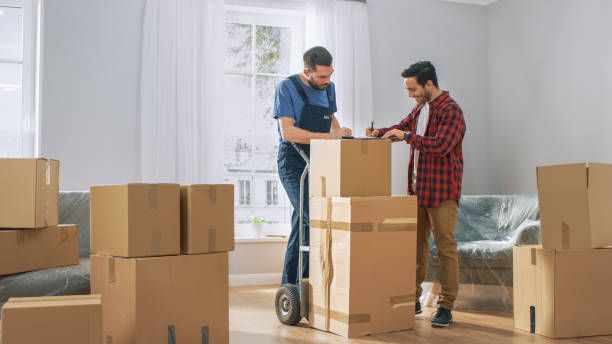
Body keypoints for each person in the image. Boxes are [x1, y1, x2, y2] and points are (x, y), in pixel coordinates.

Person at [367, 61, 466, 328]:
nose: (410, 95)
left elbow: (441, 146)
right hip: (418, 191)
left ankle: (446, 306)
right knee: (415, 248)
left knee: (446, 249)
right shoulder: (420, 109)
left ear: (429, 84)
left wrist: (407, 135)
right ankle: (412, 299)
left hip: (442, 193)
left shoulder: (451, 111)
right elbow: (401, 128)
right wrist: (378, 133)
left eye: (413, 89)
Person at [273, 46, 352, 286]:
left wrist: (340, 132)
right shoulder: (287, 88)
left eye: (330, 75)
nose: (327, 81)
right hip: (293, 160)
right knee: (313, 216)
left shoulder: (330, 88)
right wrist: (331, 138)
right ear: (307, 71)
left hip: (319, 158)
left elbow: (330, 119)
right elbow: (288, 132)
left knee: (302, 221)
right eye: (321, 77)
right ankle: (311, 280)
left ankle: (293, 285)